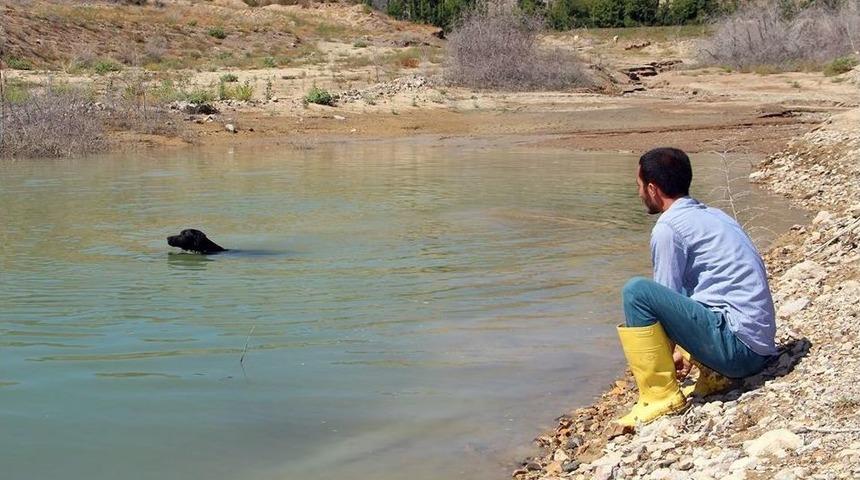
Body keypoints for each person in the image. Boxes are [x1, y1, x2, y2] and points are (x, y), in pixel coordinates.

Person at [615, 147, 778, 427]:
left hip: (739, 353)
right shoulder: (714, 215)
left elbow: (662, 298)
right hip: (759, 347)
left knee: (637, 292)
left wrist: (670, 354)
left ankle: (659, 396)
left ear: (653, 189)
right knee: (693, 289)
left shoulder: (668, 228)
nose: (639, 192)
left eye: (639, 185)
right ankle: (714, 374)